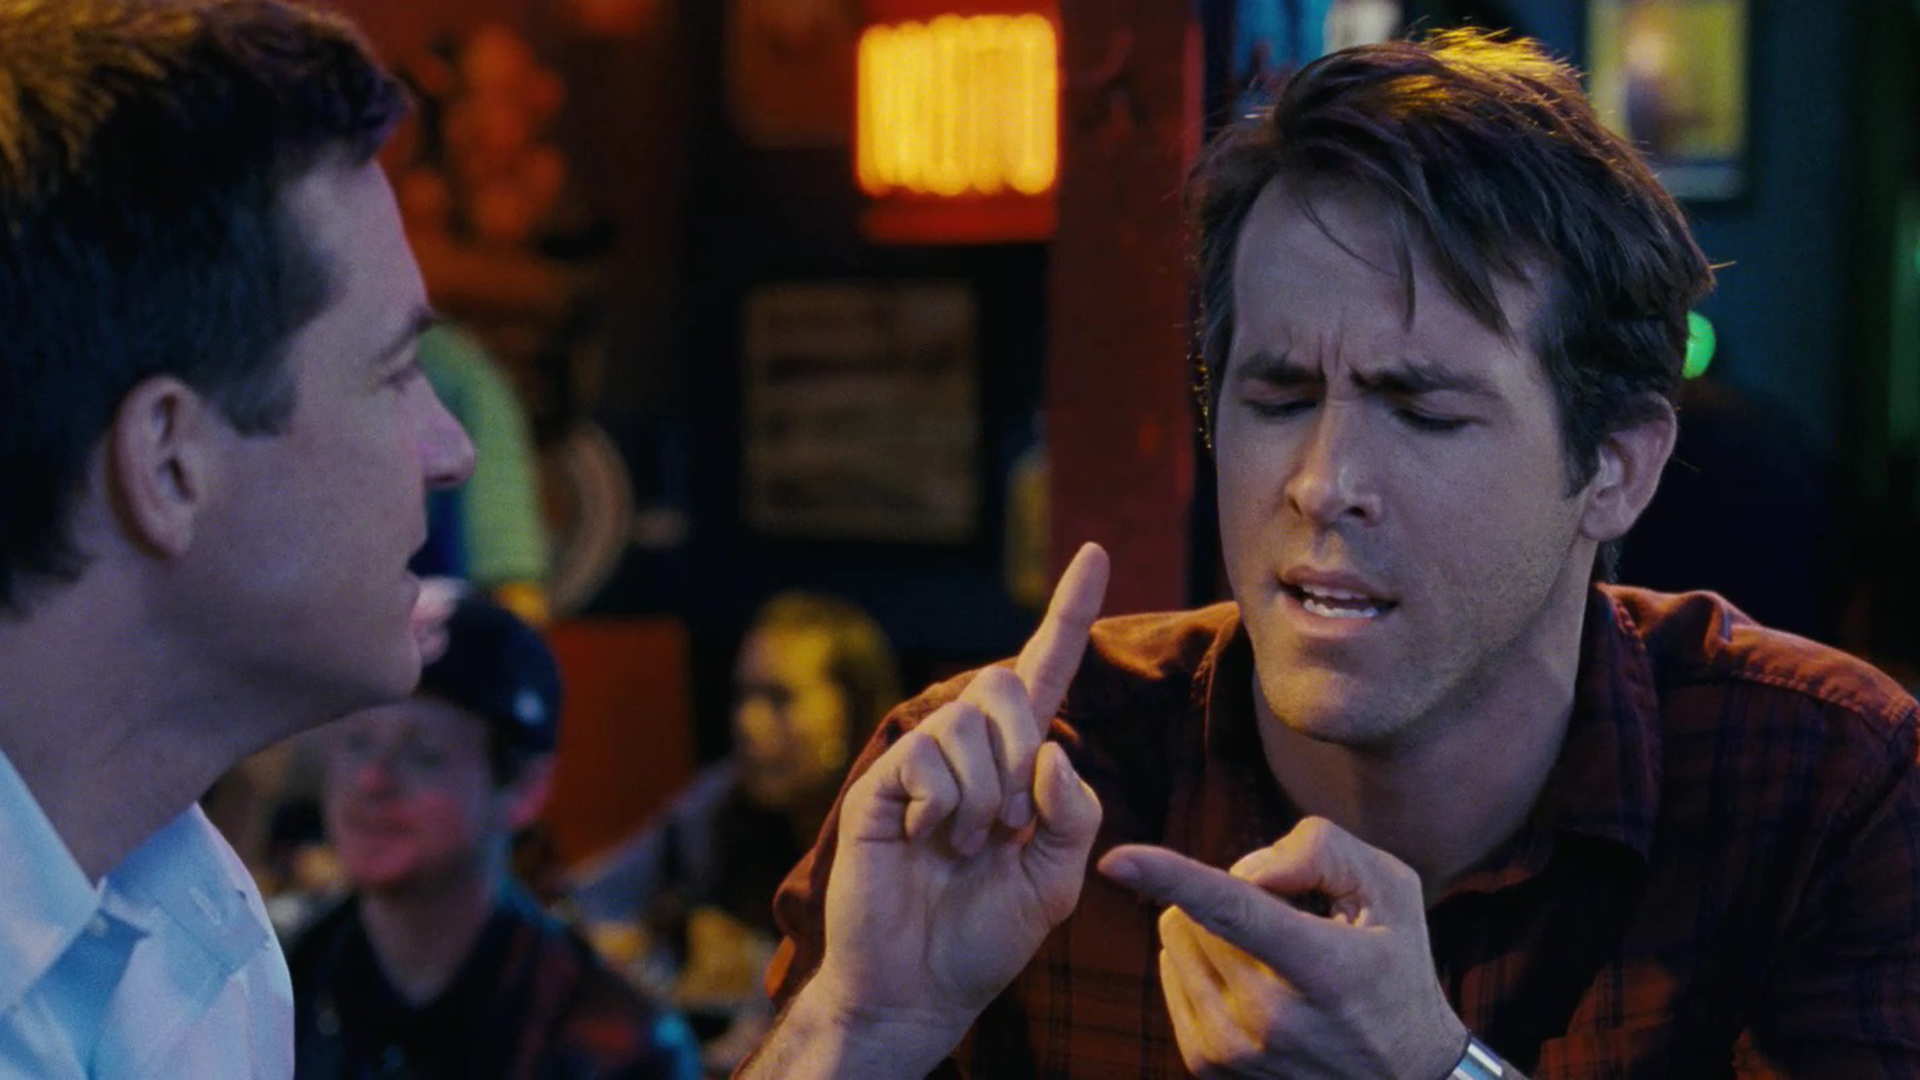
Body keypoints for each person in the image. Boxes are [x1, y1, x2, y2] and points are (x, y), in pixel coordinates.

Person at [740, 29, 1920, 1079]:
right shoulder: (1010, 795)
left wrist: (1430, 1068)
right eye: (1280, 397)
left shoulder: (1826, 788)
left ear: (1614, 466)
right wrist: (864, 1026)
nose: (1321, 481)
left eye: (1423, 410)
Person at [0, 1, 474, 1074]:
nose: (451, 450)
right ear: (170, 461)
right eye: (395, 373)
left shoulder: (195, 926)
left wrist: (842, 1026)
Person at [290, 594, 700, 1079]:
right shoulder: (274, 983)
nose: (372, 780)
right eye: (357, 742)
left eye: (424, 755)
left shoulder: (615, 1046)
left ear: (524, 788)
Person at [567, 593, 898, 1067]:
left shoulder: (901, 822)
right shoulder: (719, 802)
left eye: (779, 699)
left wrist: (757, 966)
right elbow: (582, 904)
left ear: (853, 713)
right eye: (743, 696)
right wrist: (657, 952)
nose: (748, 722)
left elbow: (889, 992)